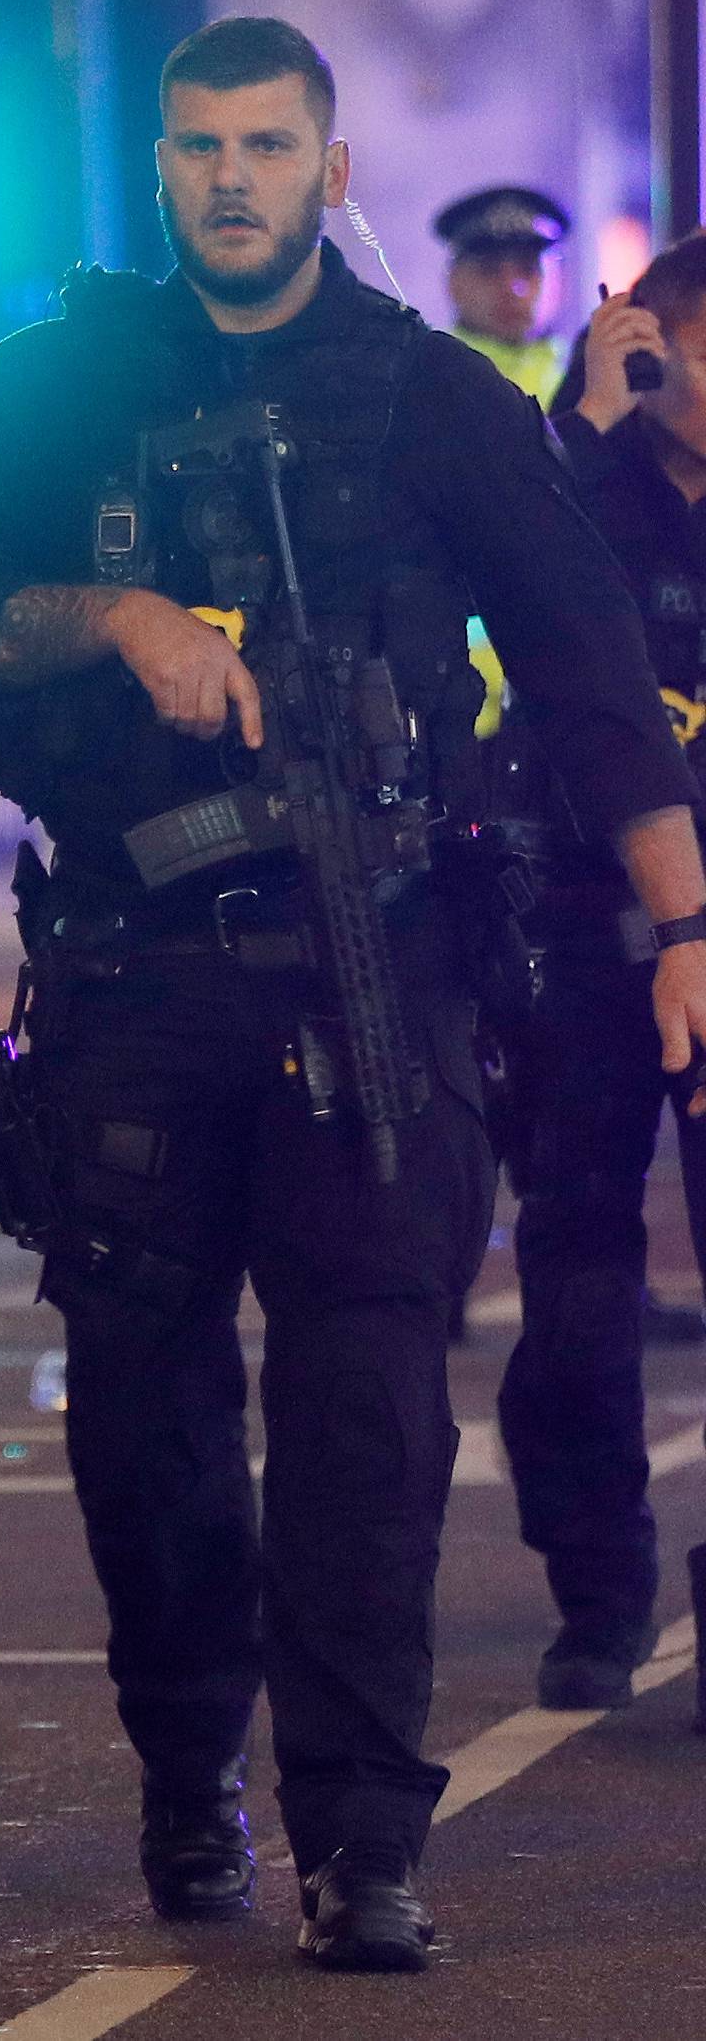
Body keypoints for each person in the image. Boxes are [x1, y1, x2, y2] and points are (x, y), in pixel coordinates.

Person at [0, 18, 706, 1973]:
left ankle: (359, 1834)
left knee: (366, 1415)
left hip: (377, 965)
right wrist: (113, 616)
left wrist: (682, 923)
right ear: (158, 171)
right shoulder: (52, 386)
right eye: (196, 146)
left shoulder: (429, 400)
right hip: (131, 972)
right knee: (148, 1430)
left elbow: (587, 669)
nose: (230, 175)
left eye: (267, 143)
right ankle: (191, 1771)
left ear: (328, 169)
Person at [495, 237, 706, 1710]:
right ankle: (599, 1585)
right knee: (574, 1271)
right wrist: (584, 412)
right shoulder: (578, 485)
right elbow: (493, 561)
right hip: (579, 929)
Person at [435, 184, 570, 405]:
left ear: (561, 282)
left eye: (529, 269)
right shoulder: (428, 378)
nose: (511, 288)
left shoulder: (591, 378)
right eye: (489, 270)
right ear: (453, 282)